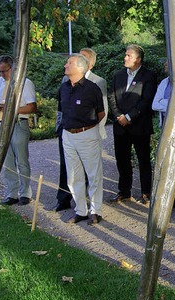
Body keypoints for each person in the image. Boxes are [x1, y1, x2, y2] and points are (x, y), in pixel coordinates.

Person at [53, 47, 108, 212]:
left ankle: (95, 211)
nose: (65, 65)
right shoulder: (64, 87)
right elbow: (61, 111)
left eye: (69, 63)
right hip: (68, 136)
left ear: (80, 67)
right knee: (73, 176)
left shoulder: (93, 88)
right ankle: (81, 210)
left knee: (93, 175)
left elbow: (101, 113)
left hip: (87, 134)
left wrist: (88, 129)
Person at [108, 44, 158, 206]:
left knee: (143, 160)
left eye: (128, 55)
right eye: (125, 55)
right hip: (120, 126)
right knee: (122, 160)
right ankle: (124, 191)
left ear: (138, 59)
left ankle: (145, 193)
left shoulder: (148, 76)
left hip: (139, 125)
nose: (125, 58)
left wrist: (129, 116)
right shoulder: (118, 75)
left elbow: (147, 100)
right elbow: (111, 97)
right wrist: (118, 116)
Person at [0, 55, 37, 206]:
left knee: (21, 159)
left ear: (12, 68)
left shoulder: (24, 83)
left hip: (17, 123)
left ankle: (25, 193)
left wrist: (11, 108)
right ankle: (12, 193)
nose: (2, 74)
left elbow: (32, 107)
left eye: (4, 71)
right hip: (0, 123)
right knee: (6, 160)